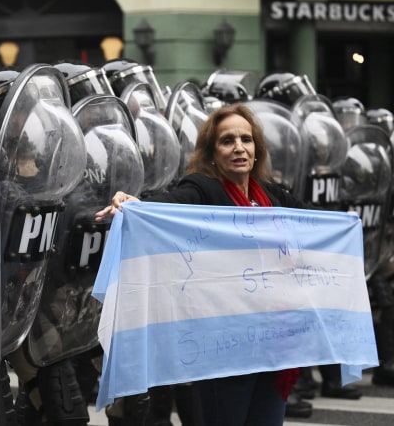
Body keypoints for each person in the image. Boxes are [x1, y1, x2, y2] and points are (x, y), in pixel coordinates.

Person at [96, 103, 306, 426]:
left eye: (246, 140)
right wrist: (137, 205)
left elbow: (314, 222)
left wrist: (348, 225)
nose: (239, 147)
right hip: (225, 347)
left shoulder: (271, 195)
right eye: (227, 141)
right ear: (211, 153)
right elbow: (173, 205)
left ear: (256, 149)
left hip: (273, 346)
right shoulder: (202, 188)